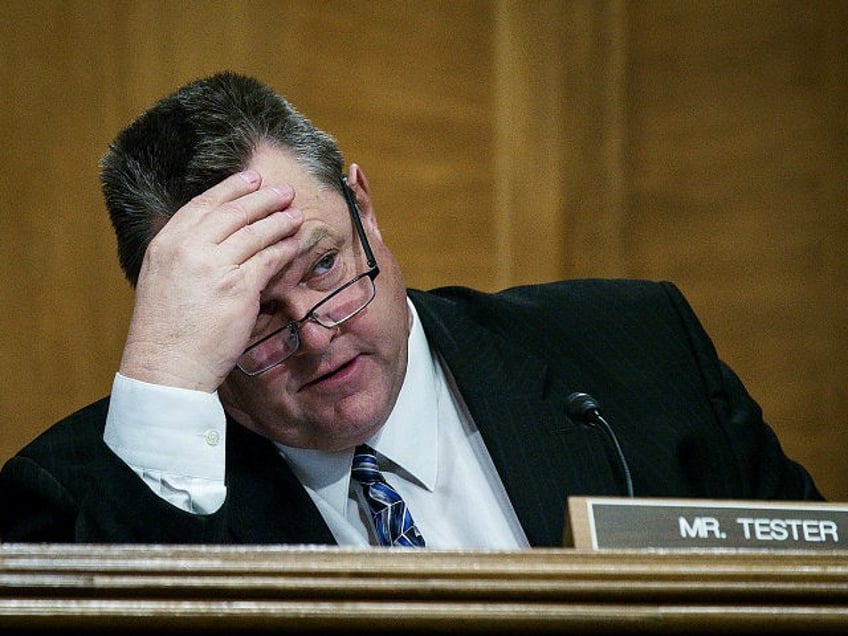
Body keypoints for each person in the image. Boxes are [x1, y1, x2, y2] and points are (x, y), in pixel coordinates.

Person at [0, 71, 822, 547]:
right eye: (254, 313)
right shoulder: (69, 501)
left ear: (364, 206)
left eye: (325, 265)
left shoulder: (640, 352)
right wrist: (166, 385)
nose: (317, 336)